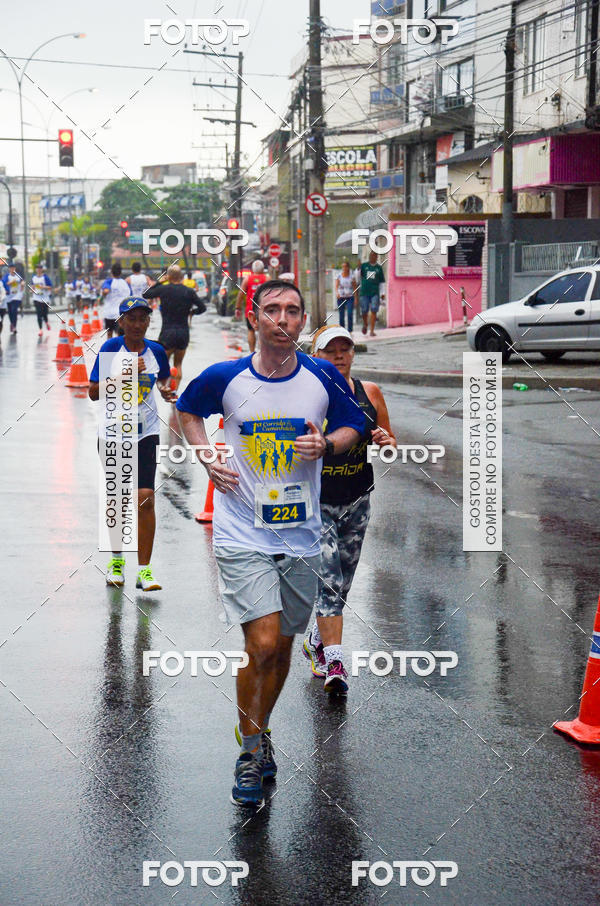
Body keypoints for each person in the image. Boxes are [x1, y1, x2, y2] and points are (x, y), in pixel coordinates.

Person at [177, 279, 365, 808]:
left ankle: (260, 731)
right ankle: (250, 749)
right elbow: (187, 410)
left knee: (282, 648)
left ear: (303, 320)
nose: (283, 318)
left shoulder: (322, 375)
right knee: (259, 643)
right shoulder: (226, 377)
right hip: (241, 532)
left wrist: (327, 442)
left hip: (301, 534)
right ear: (254, 318)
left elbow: (354, 424)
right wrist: (207, 455)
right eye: (272, 309)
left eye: (293, 310)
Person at [302, 325, 396, 693]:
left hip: (357, 499)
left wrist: (386, 441)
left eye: (345, 349)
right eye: (330, 350)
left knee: (343, 582)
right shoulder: (307, 395)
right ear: (316, 356)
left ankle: (317, 638)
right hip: (317, 501)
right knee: (329, 578)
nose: (339, 356)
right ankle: (335, 663)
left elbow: (389, 443)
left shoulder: (369, 392)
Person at [88, 297, 176, 591]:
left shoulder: (157, 351)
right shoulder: (111, 349)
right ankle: (116, 562)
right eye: (132, 319)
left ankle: (145, 570)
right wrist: (124, 375)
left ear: (149, 321)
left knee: (145, 496)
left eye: (143, 319)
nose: (137, 325)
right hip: (113, 433)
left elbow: (162, 381)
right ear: (121, 322)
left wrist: (166, 391)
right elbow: (93, 392)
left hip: (146, 432)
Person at [143, 264, 205, 389]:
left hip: (167, 333)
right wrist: (192, 312)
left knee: (163, 365)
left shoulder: (164, 289)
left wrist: (160, 282)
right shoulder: (189, 291)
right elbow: (202, 307)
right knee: (178, 364)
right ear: (181, 277)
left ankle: (165, 389)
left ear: (169, 276)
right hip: (183, 333)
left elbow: (146, 294)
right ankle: (174, 392)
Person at [235, 260, 267, 353]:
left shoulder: (247, 279)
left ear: (253, 269)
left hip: (250, 310)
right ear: (262, 269)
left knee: (251, 330)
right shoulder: (267, 279)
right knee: (262, 332)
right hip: (264, 310)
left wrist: (238, 307)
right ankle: (262, 352)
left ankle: (252, 352)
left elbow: (241, 294)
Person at [359, 250, 385, 337]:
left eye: (373, 256)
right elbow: (358, 276)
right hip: (364, 292)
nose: (371, 257)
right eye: (370, 256)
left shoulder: (379, 268)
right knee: (364, 311)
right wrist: (358, 269)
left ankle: (372, 331)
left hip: (375, 293)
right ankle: (365, 324)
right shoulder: (364, 266)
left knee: (374, 310)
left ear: (376, 257)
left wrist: (382, 293)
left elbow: (382, 282)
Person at [101, 263, 131, 338]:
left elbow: (106, 291)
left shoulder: (109, 281)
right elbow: (130, 298)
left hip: (109, 314)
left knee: (109, 334)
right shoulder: (125, 283)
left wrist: (103, 294)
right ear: (121, 272)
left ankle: (110, 346)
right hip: (121, 314)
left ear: (111, 272)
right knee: (120, 335)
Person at [335, 261, 357, 332]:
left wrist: (356, 299)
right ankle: (342, 330)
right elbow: (336, 286)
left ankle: (350, 330)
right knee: (341, 315)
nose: (344, 268)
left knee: (350, 313)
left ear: (348, 267)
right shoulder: (339, 276)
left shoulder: (352, 276)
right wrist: (337, 293)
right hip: (340, 298)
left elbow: (355, 288)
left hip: (350, 297)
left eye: (345, 266)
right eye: (343, 267)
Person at [2, 264, 25, 334]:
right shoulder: (6, 276)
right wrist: (11, 282)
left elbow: (22, 281)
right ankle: (12, 323)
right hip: (9, 296)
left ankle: (14, 327)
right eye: (11, 268)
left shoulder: (18, 275)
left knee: (14, 310)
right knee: (10, 312)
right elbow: (4, 284)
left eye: (13, 268)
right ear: (9, 269)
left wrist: (22, 284)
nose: (12, 269)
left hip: (17, 296)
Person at [31, 264, 53, 335]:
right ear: (36, 270)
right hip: (36, 298)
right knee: (39, 314)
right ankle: (40, 330)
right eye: (37, 269)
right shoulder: (34, 277)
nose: (38, 270)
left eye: (40, 269)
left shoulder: (45, 277)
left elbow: (50, 287)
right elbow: (32, 286)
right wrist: (32, 289)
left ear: (42, 270)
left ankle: (46, 322)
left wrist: (43, 287)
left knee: (45, 313)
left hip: (45, 298)